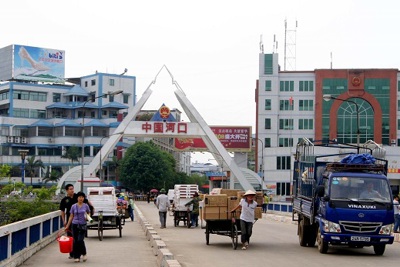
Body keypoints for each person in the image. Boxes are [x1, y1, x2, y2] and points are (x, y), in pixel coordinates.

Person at [59, 184, 94, 259]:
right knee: (72, 238)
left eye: (73, 189)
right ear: (67, 190)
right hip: (71, 221)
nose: (72, 190)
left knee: (79, 239)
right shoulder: (65, 200)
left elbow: (87, 203)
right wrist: (64, 221)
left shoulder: (77, 196)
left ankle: (81, 253)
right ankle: (73, 253)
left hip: (82, 222)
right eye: (70, 189)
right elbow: (62, 211)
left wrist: (92, 208)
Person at [65, 192, 90, 263]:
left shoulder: (86, 206)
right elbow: (71, 216)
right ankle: (77, 256)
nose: (81, 198)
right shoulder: (73, 206)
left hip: (83, 225)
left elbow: (88, 212)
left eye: (82, 197)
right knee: (75, 241)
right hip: (75, 225)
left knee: (80, 240)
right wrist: (67, 226)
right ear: (77, 198)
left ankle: (84, 253)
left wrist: (87, 217)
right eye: (79, 197)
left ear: (84, 198)